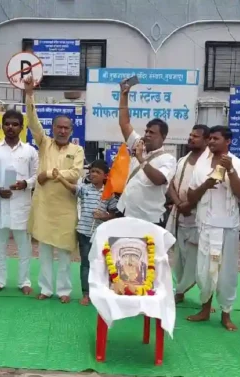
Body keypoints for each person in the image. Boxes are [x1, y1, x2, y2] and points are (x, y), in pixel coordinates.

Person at [186, 125, 240, 331]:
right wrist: (207, 184)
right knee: (204, 270)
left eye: (216, 138)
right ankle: (205, 309)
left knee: (227, 273)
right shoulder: (201, 164)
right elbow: (190, 197)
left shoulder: (239, 164)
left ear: (228, 141)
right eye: (211, 139)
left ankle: (226, 314)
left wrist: (230, 170)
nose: (211, 142)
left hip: (228, 228)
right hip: (206, 225)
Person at [24, 76, 85, 304]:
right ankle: (46, 289)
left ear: (71, 130)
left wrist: (48, 174)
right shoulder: (44, 143)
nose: (62, 131)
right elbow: (32, 120)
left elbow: (75, 173)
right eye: (58, 127)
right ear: (53, 128)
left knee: (65, 254)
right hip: (44, 206)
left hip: (66, 208)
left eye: (66, 128)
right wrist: (30, 94)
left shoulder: (77, 150)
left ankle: (64, 291)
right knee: (45, 252)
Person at [54, 159, 118, 305]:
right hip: (84, 233)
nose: (93, 174)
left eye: (98, 172)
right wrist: (60, 178)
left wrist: (104, 216)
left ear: (105, 176)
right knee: (86, 264)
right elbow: (72, 188)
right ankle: (86, 294)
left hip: (101, 235)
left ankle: (102, 292)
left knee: (103, 263)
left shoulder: (109, 193)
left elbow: (114, 214)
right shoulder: (85, 188)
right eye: (92, 171)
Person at [0, 109, 38, 295]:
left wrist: (25, 183)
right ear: (2, 126)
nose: (10, 127)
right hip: (0, 204)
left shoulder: (30, 151)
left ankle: (24, 281)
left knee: (24, 248)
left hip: (21, 205)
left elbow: (36, 175)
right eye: (7, 124)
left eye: (15, 124)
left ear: (21, 127)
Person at [116, 80, 176, 226]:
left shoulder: (168, 159)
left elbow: (159, 180)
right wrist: (124, 95)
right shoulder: (139, 145)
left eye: (152, 133)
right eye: (146, 131)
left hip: (150, 220)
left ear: (163, 137)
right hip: (126, 213)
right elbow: (124, 123)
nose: (147, 135)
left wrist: (141, 159)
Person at [165, 124, 210, 304]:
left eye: (196, 136)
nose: (191, 139)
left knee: (197, 259)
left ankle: (204, 298)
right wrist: (179, 203)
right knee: (179, 258)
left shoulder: (209, 163)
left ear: (206, 140)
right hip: (180, 215)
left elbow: (209, 190)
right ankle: (180, 291)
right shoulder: (182, 160)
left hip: (199, 217)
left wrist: (189, 204)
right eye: (190, 135)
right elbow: (171, 185)